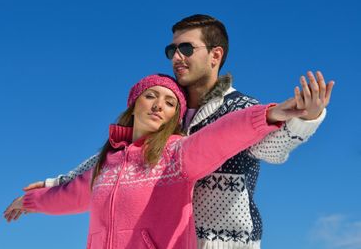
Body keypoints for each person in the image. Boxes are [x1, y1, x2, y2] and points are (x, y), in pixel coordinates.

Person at [17, 15, 334, 249]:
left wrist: (304, 117)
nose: (176, 58)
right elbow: (114, 163)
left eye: (186, 48)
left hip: (223, 242)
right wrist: (56, 183)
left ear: (215, 55)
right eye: (172, 51)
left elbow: (272, 148)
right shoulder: (168, 114)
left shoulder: (239, 107)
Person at [4, 74, 313, 248]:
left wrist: (271, 114)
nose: (158, 106)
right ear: (135, 102)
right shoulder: (107, 163)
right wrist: (27, 202)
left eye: (169, 103)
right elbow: (67, 196)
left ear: (173, 117)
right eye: (151, 96)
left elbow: (223, 135)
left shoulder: (177, 155)